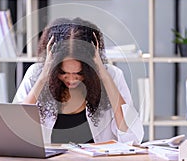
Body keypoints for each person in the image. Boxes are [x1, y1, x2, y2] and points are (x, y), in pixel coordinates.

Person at [13, 17, 144, 145]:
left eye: (79, 73)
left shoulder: (112, 75)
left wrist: (103, 75)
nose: (71, 79)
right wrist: (43, 77)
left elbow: (131, 139)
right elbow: (16, 130)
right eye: (63, 73)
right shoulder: (36, 74)